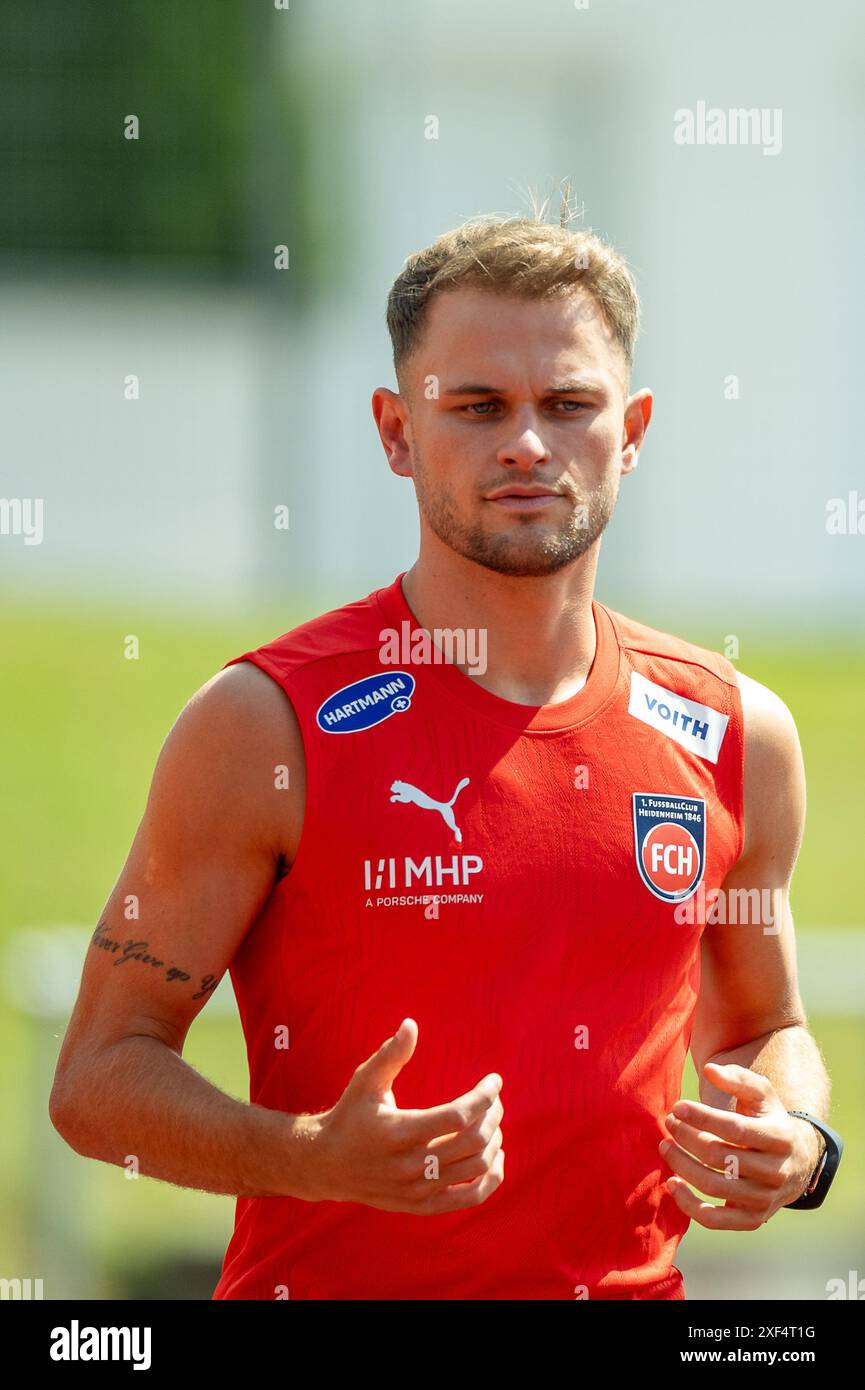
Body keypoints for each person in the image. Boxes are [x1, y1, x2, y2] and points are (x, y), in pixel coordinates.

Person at [49, 199, 835, 1301]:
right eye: (476, 405)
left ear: (635, 429)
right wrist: (308, 1152)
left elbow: (766, 1026)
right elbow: (96, 1077)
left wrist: (797, 1138)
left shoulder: (735, 730)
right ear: (395, 430)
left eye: (568, 403)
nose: (526, 441)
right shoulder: (263, 722)